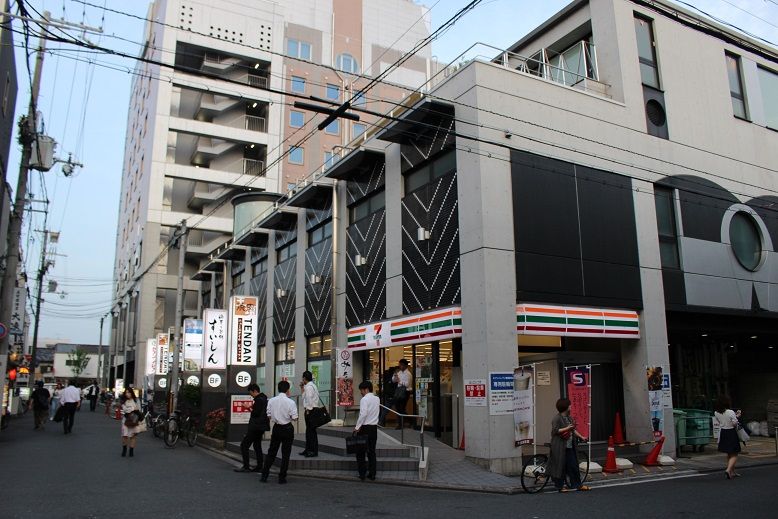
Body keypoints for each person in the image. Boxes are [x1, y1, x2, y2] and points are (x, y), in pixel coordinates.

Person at [548, 398, 591, 492]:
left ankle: (578, 485)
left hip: (569, 446)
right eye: (569, 405)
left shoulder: (569, 418)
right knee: (560, 466)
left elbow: (573, 430)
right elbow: (555, 431)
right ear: (566, 407)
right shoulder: (557, 418)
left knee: (573, 465)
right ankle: (560, 486)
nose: (571, 406)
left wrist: (581, 437)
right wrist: (567, 428)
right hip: (559, 446)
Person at [260, 380, 298, 484]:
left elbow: (268, 415)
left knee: (272, 452)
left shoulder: (271, 401)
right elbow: (295, 418)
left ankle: (264, 475)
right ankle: (282, 477)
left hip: (276, 428)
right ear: (288, 390)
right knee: (286, 454)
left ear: (278, 389)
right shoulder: (291, 402)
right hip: (287, 428)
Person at [234, 383, 269, 473]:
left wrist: (247, 408)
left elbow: (255, 413)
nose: (251, 395)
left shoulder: (259, 400)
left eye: (251, 393)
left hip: (255, 427)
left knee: (244, 445)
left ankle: (246, 466)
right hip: (261, 426)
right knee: (257, 446)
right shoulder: (264, 398)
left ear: (255, 391)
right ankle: (259, 466)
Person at [354, 381, 380, 481]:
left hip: (365, 428)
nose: (361, 392)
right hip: (374, 428)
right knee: (371, 451)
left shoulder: (364, 399)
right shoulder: (377, 398)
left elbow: (363, 414)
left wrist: (357, 427)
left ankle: (362, 474)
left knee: (360, 452)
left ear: (366, 389)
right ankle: (372, 474)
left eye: (361, 390)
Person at [714, 395, 741, 478]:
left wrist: (734, 417)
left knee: (729, 453)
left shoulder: (716, 412)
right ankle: (728, 470)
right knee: (735, 453)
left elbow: (720, 421)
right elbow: (734, 423)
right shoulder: (730, 411)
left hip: (723, 432)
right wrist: (737, 416)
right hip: (731, 432)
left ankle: (732, 472)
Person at [300, 370, 320, 457]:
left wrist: (308, 410)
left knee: (311, 432)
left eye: (303, 378)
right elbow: (303, 397)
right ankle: (308, 449)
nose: (302, 379)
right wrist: (302, 387)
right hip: (312, 410)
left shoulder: (309, 387)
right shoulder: (311, 386)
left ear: (304, 378)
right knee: (310, 431)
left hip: (311, 411)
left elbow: (309, 399)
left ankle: (312, 451)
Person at [121, 388, 141, 457]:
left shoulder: (136, 400)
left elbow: (139, 409)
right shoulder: (124, 400)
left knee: (133, 436)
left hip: (134, 420)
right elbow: (125, 410)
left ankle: (131, 451)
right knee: (124, 435)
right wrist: (132, 409)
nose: (127, 394)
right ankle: (124, 449)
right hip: (125, 420)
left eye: (129, 392)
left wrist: (131, 409)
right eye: (126, 393)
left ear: (132, 393)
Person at [391, 359, 411, 428]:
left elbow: (407, 384)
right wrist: (395, 375)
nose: (400, 366)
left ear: (405, 365)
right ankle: (409, 420)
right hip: (399, 391)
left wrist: (400, 382)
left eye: (401, 365)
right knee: (398, 408)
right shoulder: (399, 372)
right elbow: (393, 381)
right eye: (399, 364)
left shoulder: (408, 374)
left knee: (401, 408)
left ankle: (401, 424)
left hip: (405, 392)